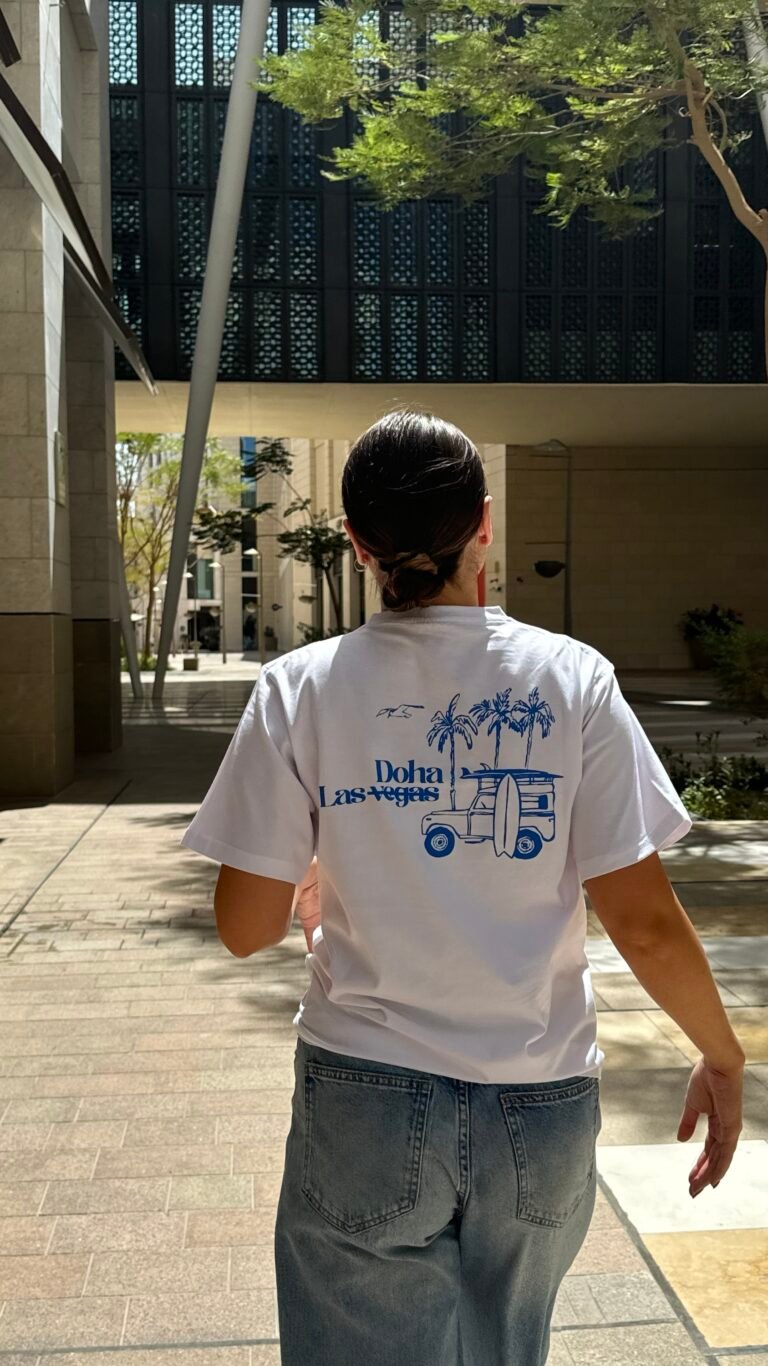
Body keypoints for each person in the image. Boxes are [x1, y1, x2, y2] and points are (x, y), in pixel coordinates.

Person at [180, 410, 745, 1366]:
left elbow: (243, 928)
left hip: (363, 1094)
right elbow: (644, 921)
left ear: (357, 542)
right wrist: (721, 1055)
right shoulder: (573, 679)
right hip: (541, 1101)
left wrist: (315, 877)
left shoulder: (298, 688)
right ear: (484, 523)